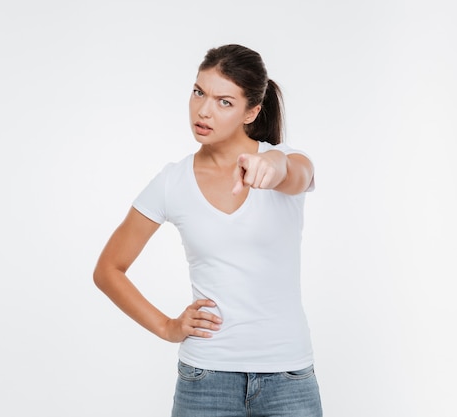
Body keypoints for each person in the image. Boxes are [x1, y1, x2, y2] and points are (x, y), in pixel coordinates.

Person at [93, 44, 322, 417]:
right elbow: (108, 270)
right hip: (206, 380)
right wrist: (168, 327)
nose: (203, 110)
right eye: (199, 92)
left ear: (252, 111)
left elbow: (298, 173)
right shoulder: (172, 182)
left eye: (224, 102)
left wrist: (274, 164)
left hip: (289, 378)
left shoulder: (283, 161)